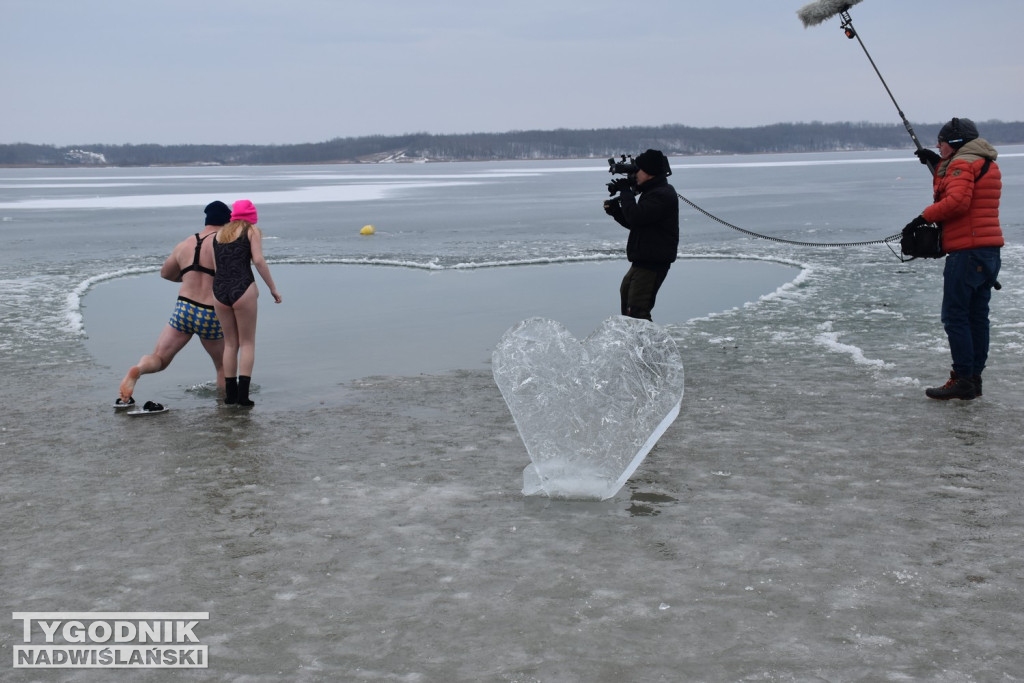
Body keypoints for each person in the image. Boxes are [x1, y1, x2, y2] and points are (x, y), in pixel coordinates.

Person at [911, 117, 1003, 400]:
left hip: (966, 251)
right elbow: (963, 190)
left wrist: (922, 218)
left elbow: (957, 201)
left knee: (955, 316)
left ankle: (963, 378)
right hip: (988, 251)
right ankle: (973, 380)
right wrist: (939, 167)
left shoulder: (962, 164)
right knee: (977, 316)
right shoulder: (985, 162)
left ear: (955, 144)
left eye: (941, 142)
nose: (937, 146)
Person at [117, 201, 232, 406]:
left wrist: (189, 278)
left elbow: (166, 273)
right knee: (223, 367)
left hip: (184, 307)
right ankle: (225, 409)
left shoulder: (185, 243)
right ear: (227, 222)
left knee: (159, 358)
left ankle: (139, 369)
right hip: (209, 311)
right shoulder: (224, 244)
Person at [212, 199, 282, 406]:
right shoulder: (251, 231)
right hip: (243, 287)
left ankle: (230, 396)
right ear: (251, 216)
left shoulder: (219, 234)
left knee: (230, 343)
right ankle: (243, 396)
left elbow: (217, 268)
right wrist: (272, 288)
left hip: (219, 291)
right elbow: (258, 261)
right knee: (248, 343)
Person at [603, 149, 679, 321]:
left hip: (653, 263)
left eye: (638, 170)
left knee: (637, 312)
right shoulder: (651, 192)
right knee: (628, 307)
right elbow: (636, 223)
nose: (635, 174)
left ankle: (651, 348)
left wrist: (626, 192)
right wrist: (616, 211)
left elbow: (636, 216)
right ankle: (636, 346)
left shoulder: (662, 195)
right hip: (641, 261)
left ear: (649, 172)